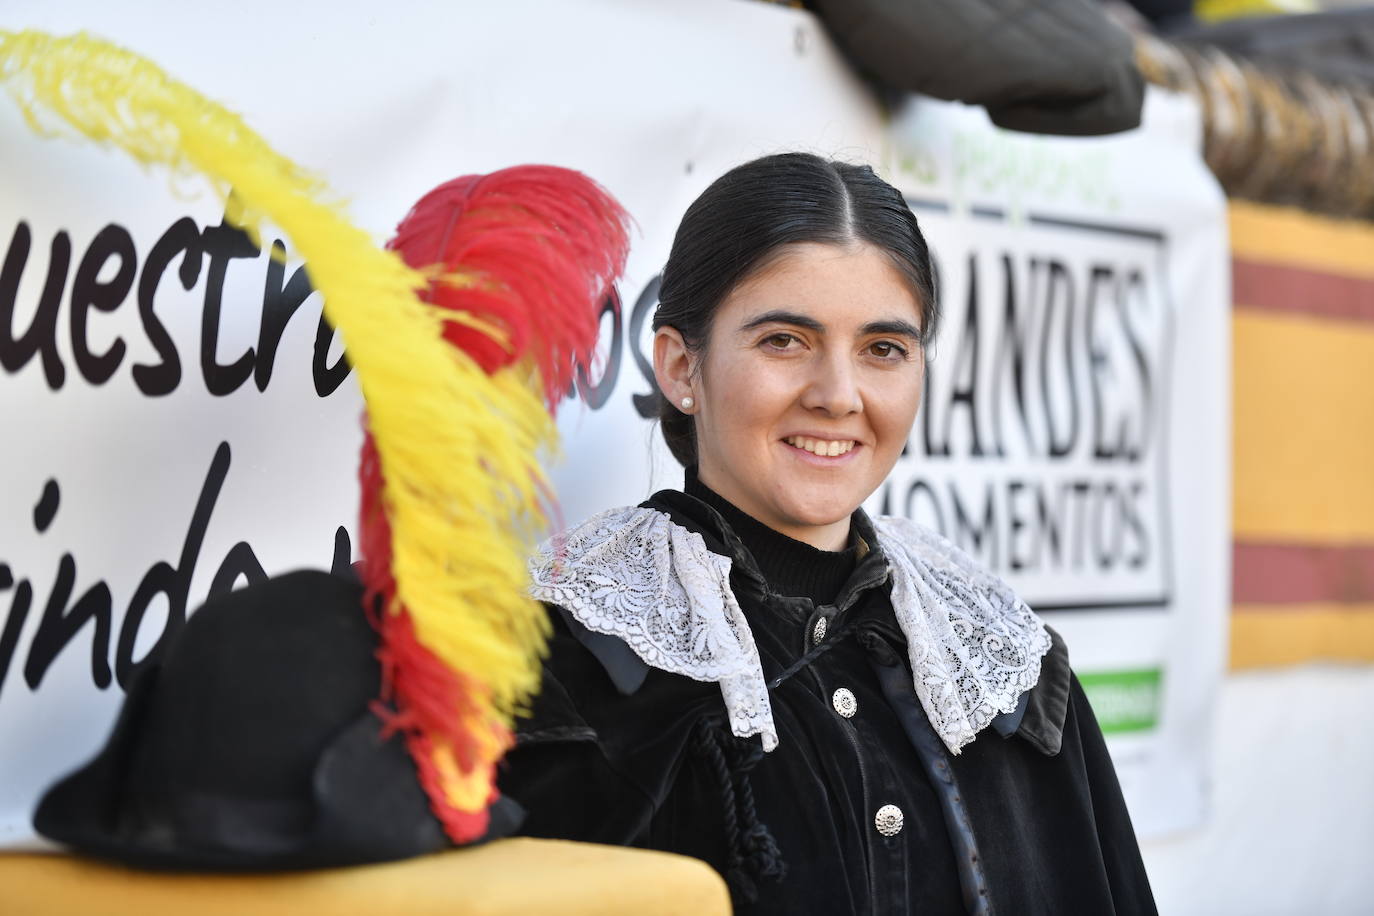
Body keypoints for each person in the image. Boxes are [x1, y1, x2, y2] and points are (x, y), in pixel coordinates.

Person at [504, 153, 1158, 915]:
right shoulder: (569, 655)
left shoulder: (1004, 661)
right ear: (682, 367)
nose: (838, 396)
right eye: (785, 340)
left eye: (883, 349)